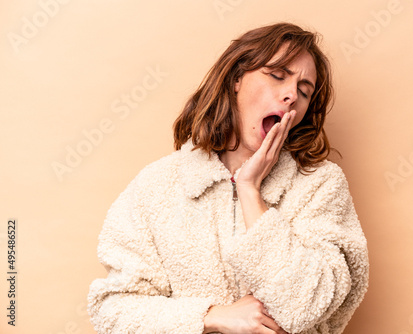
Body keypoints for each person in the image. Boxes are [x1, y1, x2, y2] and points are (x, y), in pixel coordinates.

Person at [87, 22, 369, 334]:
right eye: (278, 75)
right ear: (236, 79)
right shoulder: (156, 186)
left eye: (304, 91)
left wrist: (250, 192)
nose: (291, 95)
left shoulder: (320, 185)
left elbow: (307, 303)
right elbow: (112, 311)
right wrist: (211, 317)